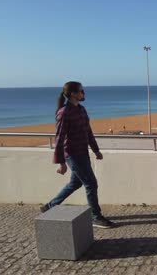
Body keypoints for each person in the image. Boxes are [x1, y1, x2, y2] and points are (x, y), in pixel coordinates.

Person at [40, 81, 115, 229]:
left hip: (83, 152)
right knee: (91, 183)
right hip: (73, 154)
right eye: (81, 91)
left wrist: (96, 150)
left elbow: (88, 132)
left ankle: (50, 205)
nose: (83, 93)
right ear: (73, 94)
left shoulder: (81, 109)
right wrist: (61, 162)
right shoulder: (64, 112)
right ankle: (96, 217)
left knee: (76, 183)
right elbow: (60, 137)